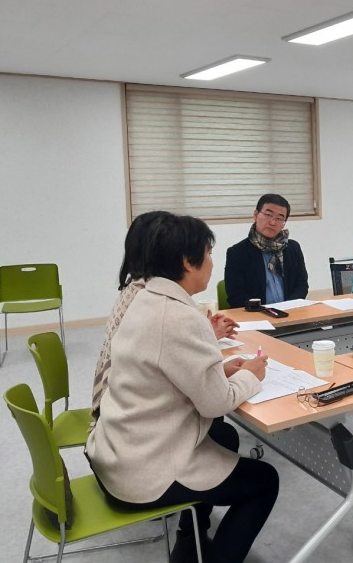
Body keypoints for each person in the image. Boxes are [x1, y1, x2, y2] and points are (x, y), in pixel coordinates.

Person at [86, 213, 278, 562]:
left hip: (116, 451)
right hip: (140, 473)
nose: (212, 262)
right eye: (208, 253)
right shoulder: (179, 316)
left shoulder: (143, 297)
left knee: (223, 437)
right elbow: (216, 403)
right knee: (264, 482)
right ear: (188, 262)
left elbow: (165, 370)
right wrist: (251, 374)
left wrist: (220, 369)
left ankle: (191, 542)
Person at [90, 211, 238, 431]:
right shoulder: (158, 302)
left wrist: (207, 336)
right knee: (221, 430)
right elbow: (216, 400)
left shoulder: (140, 291)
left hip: (120, 411)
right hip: (138, 423)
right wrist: (248, 374)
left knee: (221, 430)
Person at [225, 193, 309, 307]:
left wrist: (288, 308)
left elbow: (302, 285)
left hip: (290, 312)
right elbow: (236, 296)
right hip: (256, 314)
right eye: (268, 215)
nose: (273, 222)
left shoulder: (293, 248)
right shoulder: (237, 253)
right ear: (256, 215)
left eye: (279, 218)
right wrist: (265, 312)